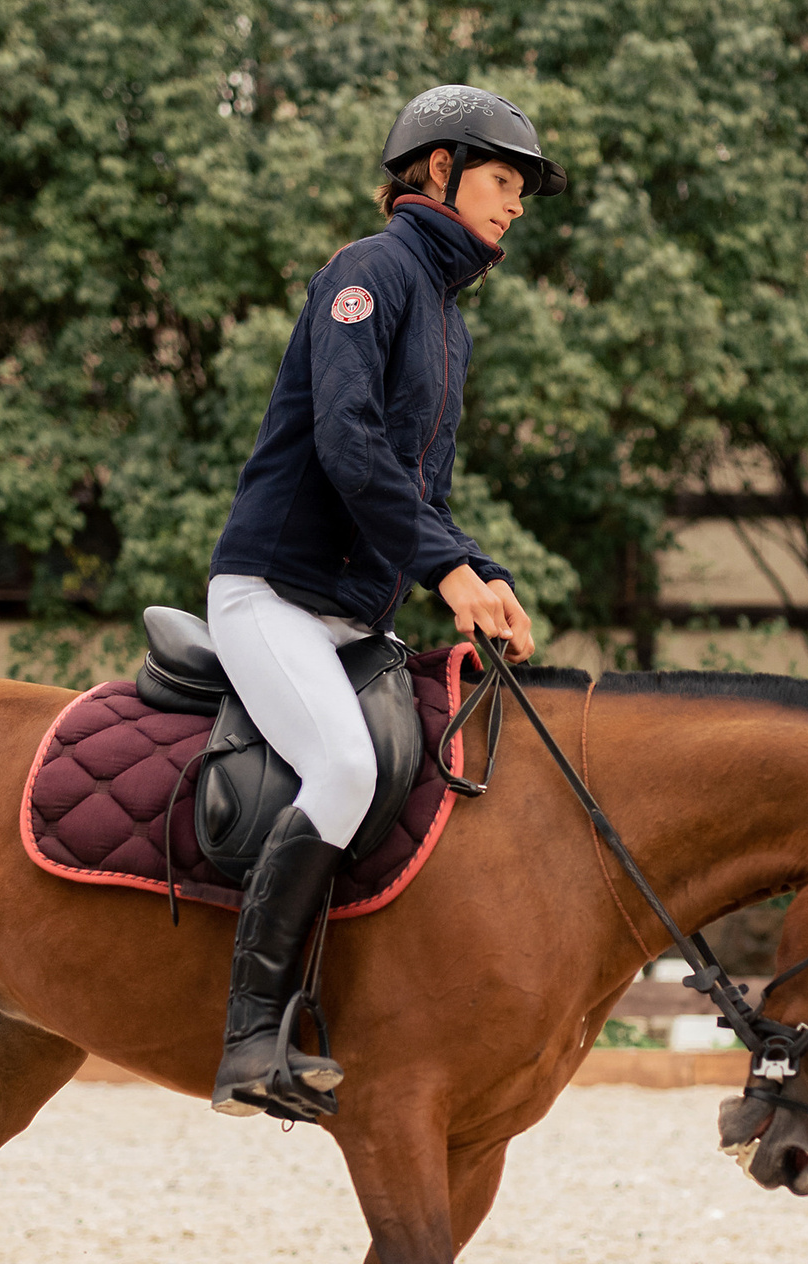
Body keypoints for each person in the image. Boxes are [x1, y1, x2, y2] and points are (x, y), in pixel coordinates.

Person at [203, 84, 565, 1120]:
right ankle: (247, 1039)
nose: (518, 206)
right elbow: (349, 446)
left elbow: (421, 496)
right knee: (347, 763)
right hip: (272, 595)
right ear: (440, 171)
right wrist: (445, 568)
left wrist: (480, 570)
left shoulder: (448, 326)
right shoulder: (366, 275)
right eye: (505, 182)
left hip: (358, 619)